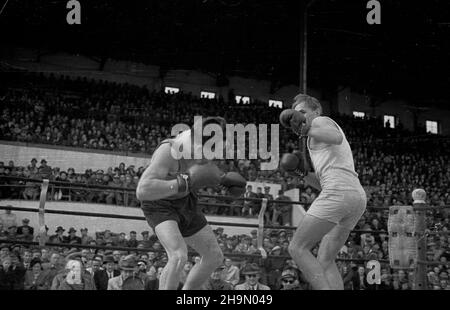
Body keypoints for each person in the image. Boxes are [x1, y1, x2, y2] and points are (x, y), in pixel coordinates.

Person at [136, 117, 246, 290]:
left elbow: (204, 171)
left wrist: (223, 180)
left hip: (187, 200)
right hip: (159, 203)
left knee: (214, 256)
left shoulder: (214, 144)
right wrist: (182, 182)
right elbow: (143, 190)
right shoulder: (170, 150)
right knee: (178, 255)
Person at [279, 94, 367, 290]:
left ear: (316, 111)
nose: (297, 117)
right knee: (325, 258)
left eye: (302, 112)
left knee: (297, 248)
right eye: (296, 113)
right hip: (354, 196)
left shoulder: (321, 121)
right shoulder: (314, 138)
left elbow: (335, 137)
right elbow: (324, 184)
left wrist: (308, 126)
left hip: (340, 193)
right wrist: (301, 173)